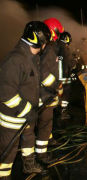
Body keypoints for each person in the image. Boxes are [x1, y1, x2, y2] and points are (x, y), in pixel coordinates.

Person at [0, 21, 51, 179]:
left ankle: (28, 166)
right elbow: (5, 93)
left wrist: (42, 97)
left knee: (29, 140)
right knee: (8, 152)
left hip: (28, 116)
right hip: (12, 119)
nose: (45, 47)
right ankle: (4, 176)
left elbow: (31, 84)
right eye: (45, 43)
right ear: (39, 42)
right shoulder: (15, 60)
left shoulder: (31, 57)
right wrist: (25, 110)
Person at [35, 17, 66, 164]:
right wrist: (55, 85)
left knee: (47, 121)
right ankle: (42, 155)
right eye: (58, 33)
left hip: (45, 93)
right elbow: (44, 74)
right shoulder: (48, 51)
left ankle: (49, 138)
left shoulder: (45, 48)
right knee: (45, 122)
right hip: (45, 94)